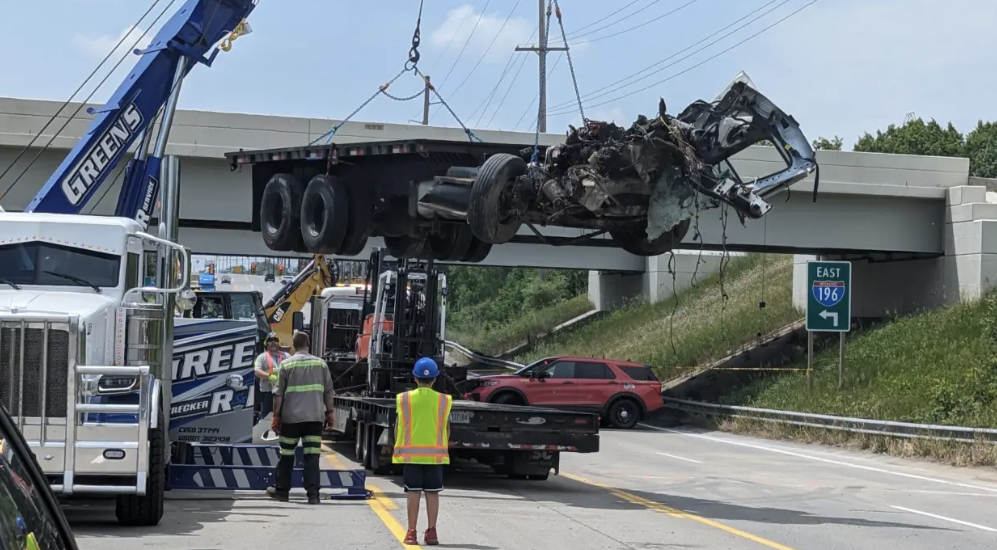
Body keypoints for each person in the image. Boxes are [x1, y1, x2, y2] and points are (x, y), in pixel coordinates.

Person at [392, 357, 452, 546]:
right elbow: (446, 428)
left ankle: (411, 533)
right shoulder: (444, 400)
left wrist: (400, 445)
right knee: (433, 492)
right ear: (434, 379)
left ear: (415, 378)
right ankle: (432, 532)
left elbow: (397, 426)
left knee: (413, 492)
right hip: (435, 457)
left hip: (411, 455)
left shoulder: (404, 399)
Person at [270, 331, 335, 504]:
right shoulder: (321, 364)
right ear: (308, 343)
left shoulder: (286, 365)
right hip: (314, 418)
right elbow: (328, 391)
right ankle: (313, 495)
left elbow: (278, 394)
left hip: (291, 419)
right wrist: (330, 413)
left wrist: (276, 416)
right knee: (312, 456)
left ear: (293, 345)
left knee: (286, 455)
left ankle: (282, 492)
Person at [254, 332, 288, 421]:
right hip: (268, 393)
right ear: (266, 343)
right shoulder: (261, 357)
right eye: (270, 340)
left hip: (283, 393)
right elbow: (257, 371)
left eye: (275, 340)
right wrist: (269, 376)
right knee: (265, 418)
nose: (273, 342)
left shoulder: (286, 356)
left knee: (284, 417)